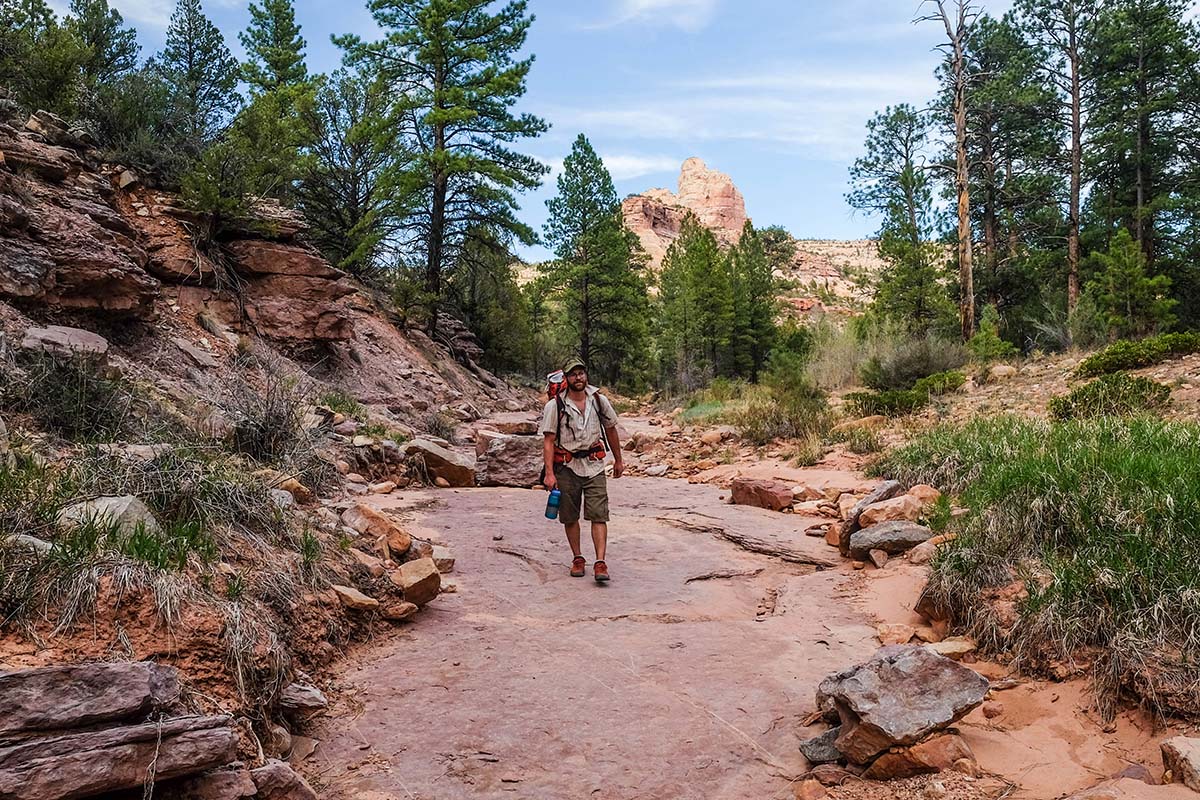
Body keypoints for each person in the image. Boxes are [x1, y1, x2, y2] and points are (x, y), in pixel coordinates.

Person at [539, 357, 624, 582]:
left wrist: (618, 460)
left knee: (599, 514)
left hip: (595, 465)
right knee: (569, 516)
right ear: (566, 379)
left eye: (581, 373)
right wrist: (549, 473)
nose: (579, 377)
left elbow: (611, 429)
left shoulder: (599, 400)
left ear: (586, 375)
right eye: (573, 374)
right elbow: (548, 441)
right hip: (566, 467)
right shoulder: (554, 406)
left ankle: (600, 562)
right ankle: (578, 557)